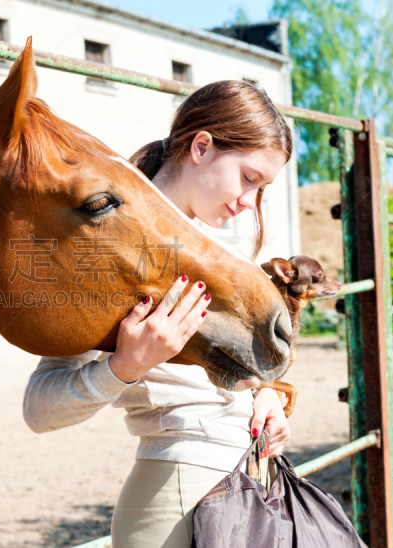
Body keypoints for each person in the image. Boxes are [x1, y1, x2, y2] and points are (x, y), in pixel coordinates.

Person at [22, 80, 294, 548]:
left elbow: (242, 379)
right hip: (179, 497)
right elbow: (39, 409)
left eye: (262, 188)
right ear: (202, 147)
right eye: (249, 178)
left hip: (247, 482)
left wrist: (266, 398)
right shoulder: (106, 252)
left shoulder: (225, 260)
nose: (251, 201)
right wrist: (123, 367)